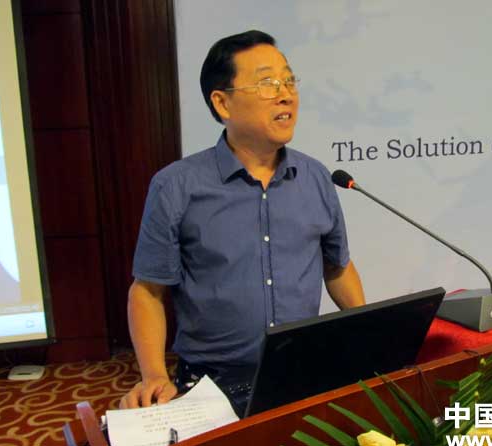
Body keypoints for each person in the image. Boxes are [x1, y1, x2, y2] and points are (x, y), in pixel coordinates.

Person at [119, 30, 365, 416]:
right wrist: (153, 375)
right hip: (210, 385)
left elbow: (337, 267)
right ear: (223, 103)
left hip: (300, 372)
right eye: (267, 83)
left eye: (289, 80)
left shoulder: (316, 177)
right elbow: (148, 291)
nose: (286, 94)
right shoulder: (176, 186)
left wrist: (366, 337)